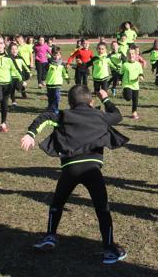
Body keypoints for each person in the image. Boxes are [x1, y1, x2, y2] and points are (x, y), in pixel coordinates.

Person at [21, 85, 129, 264]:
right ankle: (109, 248)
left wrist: (31, 134)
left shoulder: (64, 115)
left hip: (70, 168)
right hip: (92, 169)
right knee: (102, 208)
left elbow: (45, 117)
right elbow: (117, 116)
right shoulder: (99, 115)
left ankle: (50, 236)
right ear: (91, 101)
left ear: (70, 103)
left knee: (57, 203)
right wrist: (106, 98)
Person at [121, 45, 144, 120]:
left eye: (132, 54)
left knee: (135, 100)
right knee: (128, 98)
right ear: (127, 55)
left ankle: (134, 112)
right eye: (129, 54)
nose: (131, 55)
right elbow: (121, 73)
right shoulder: (124, 65)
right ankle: (124, 93)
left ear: (136, 55)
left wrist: (141, 76)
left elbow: (141, 72)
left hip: (135, 85)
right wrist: (119, 80)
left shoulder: (138, 64)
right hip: (127, 84)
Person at [45, 47, 69, 114]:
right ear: (52, 55)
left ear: (60, 55)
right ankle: (50, 107)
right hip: (49, 83)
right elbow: (45, 72)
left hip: (57, 83)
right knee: (50, 97)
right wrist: (43, 80)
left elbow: (64, 72)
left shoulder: (61, 64)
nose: (56, 57)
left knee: (56, 97)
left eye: (58, 55)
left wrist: (67, 78)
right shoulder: (49, 63)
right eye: (54, 55)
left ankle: (55, 108)